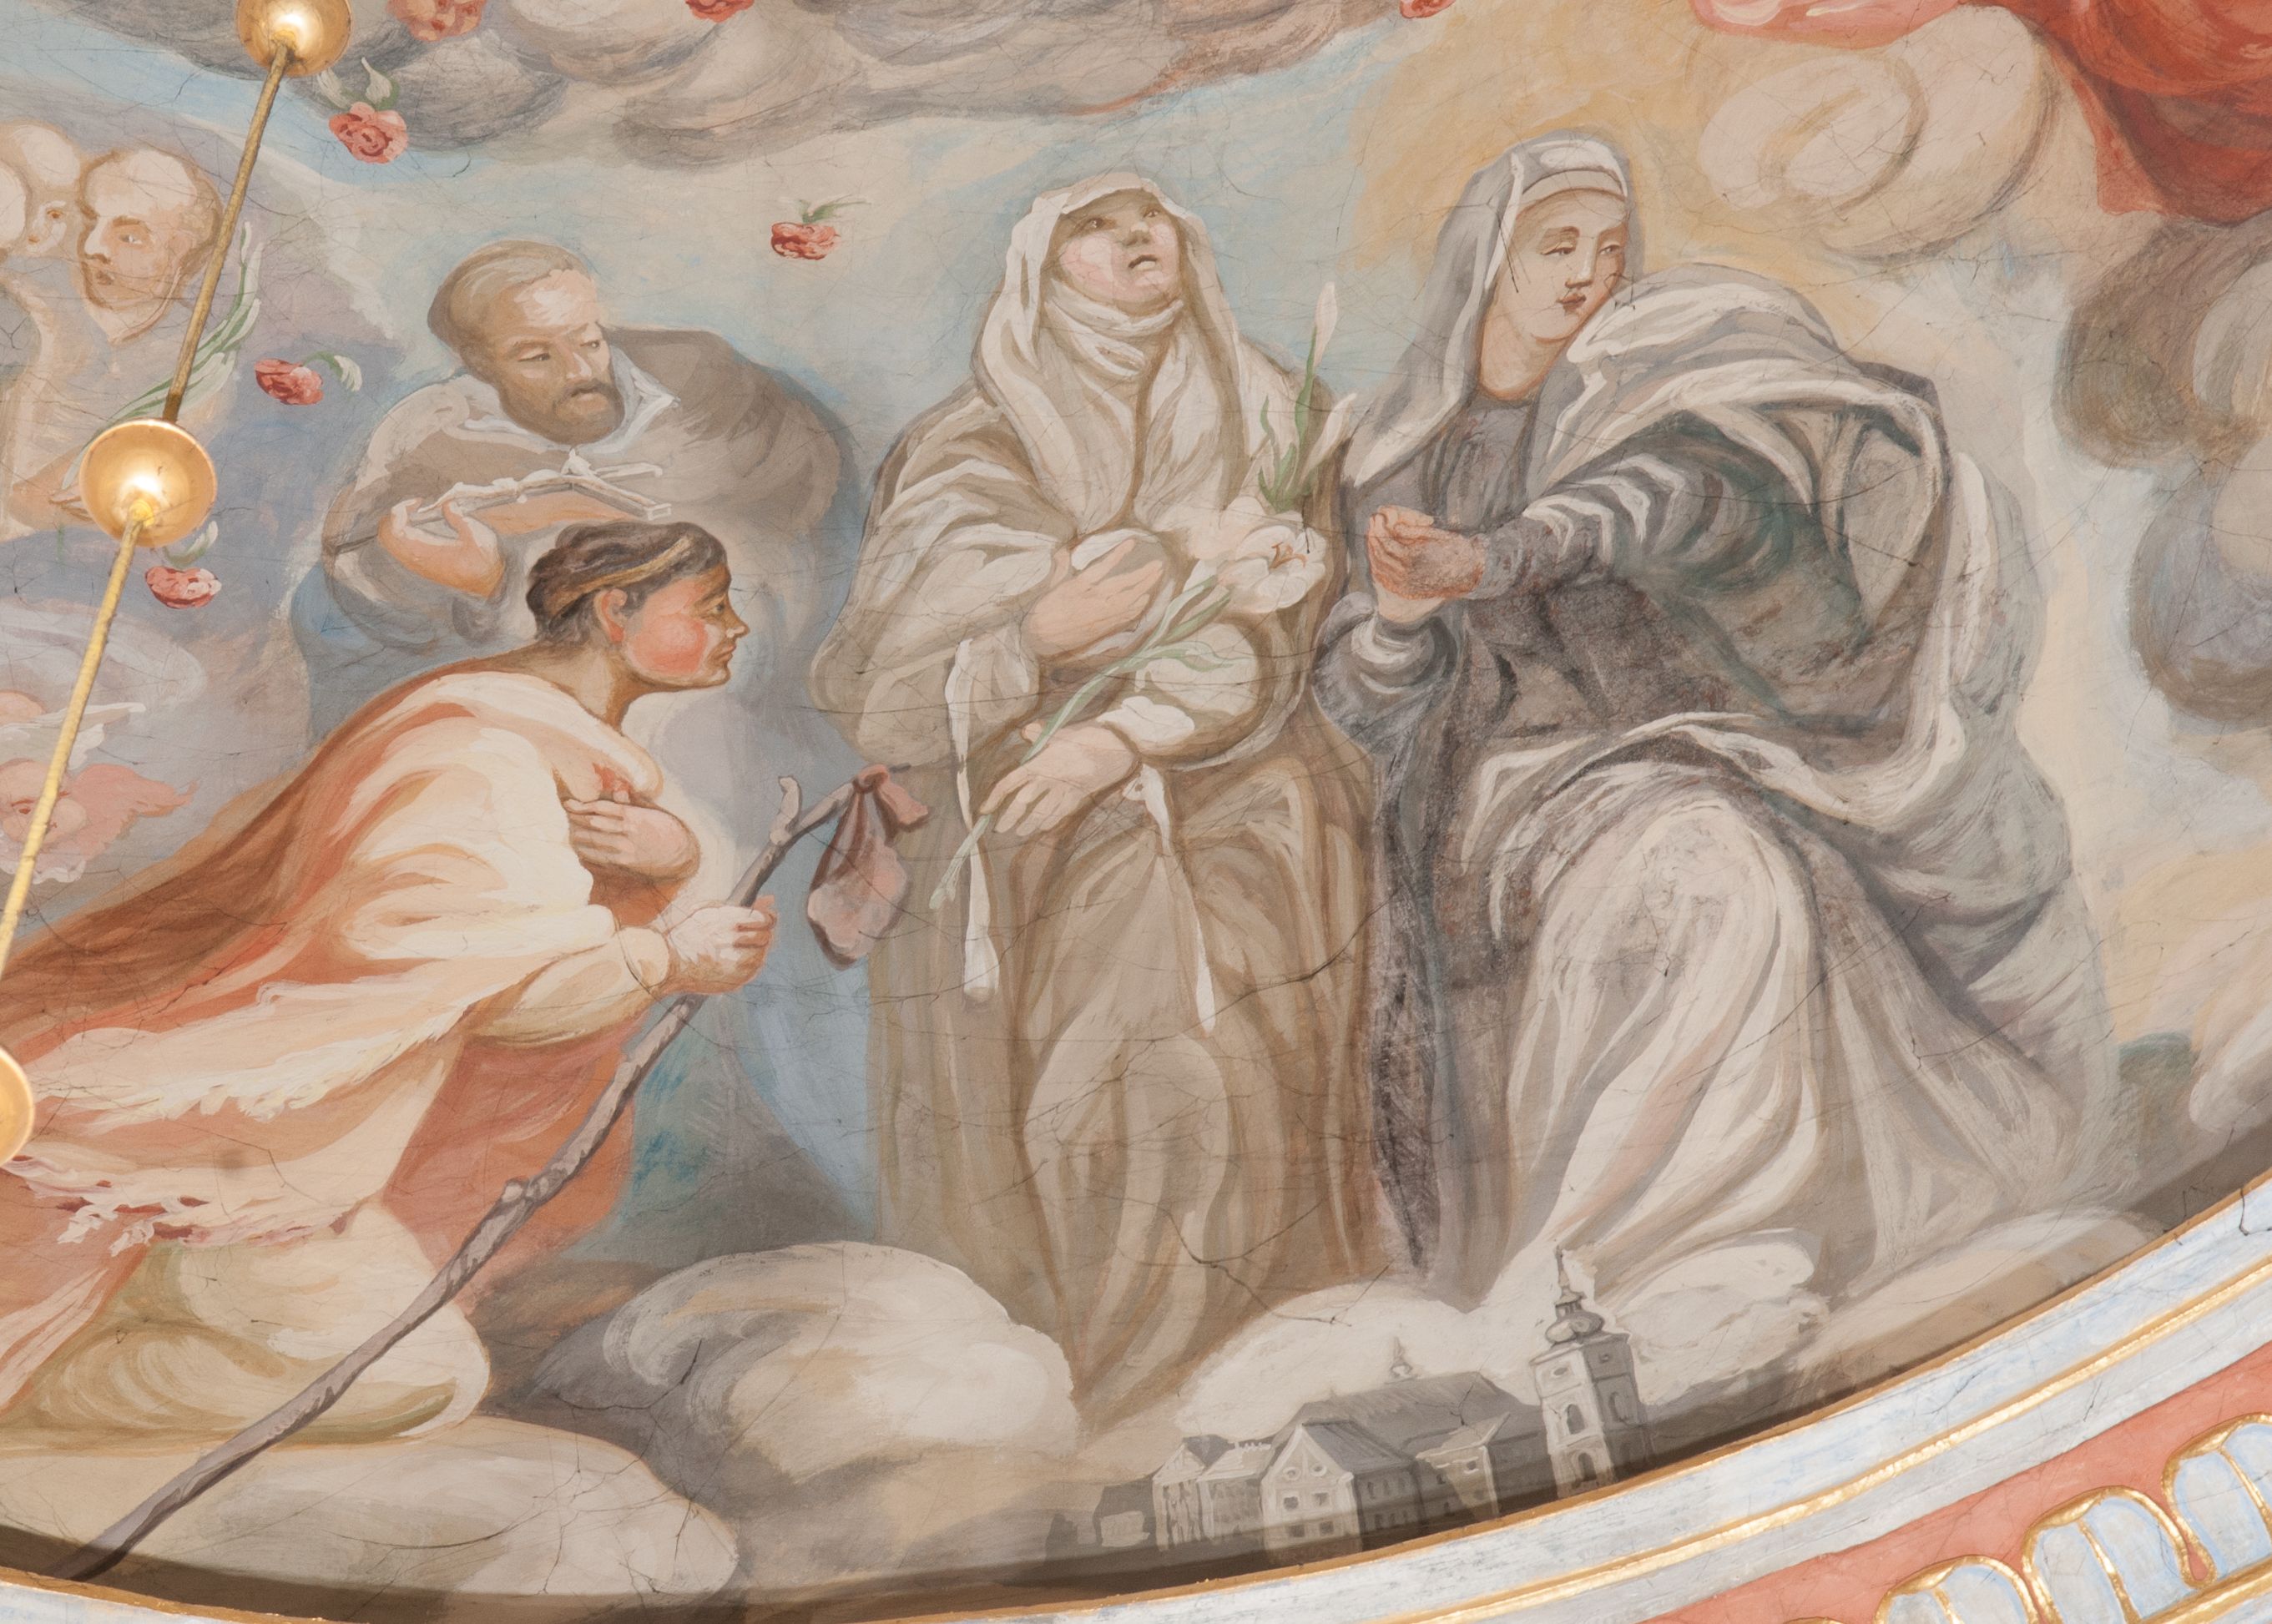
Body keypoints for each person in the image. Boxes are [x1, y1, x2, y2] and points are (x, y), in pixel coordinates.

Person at [1315, 133, 2137, 1388]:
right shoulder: (1396, 457)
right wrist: (1395, 618)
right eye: (1555, 246)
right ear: (1485, 264)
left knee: (1749, 852)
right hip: (1514, 793)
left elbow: (1664, 501)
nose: (1588, 275)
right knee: (1712, 865)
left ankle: (1739, 1237)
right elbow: (1364, 701)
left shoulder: (1643, 385)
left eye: (1609, 248)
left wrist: (1492, 557)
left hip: (1700, 749)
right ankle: (1625, 1256)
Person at [0, 520, 775, 1442]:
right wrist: (668, 960)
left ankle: (83, 1344)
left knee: (420, 1367)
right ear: (615, 611)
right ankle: (58, 1383)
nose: (735, 628)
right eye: (711, 607)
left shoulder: (521, 732)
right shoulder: (482, 748)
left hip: (306, 1147)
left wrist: (671, 861)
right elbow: (474, 980)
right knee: (418, 1380)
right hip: (231, 1143)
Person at [811, 174, 1379, 1415]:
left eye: (1149, 223)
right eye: (1095, 230)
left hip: (1242, 795)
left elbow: (1296, 629)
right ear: (1043, 266)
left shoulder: (1274, 416)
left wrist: (1125, 736)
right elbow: (880, 684)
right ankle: (1101, 1372)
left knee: (1213, 1057)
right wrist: (1029, 635)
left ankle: (1232, 1369)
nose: (1133, 243)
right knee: (1090, 1076)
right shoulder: (974, 444)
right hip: (1024, 827)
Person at [305, 238, 846, 820]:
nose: (581, 371)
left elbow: (799, 504)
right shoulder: (434, 433)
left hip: (717, 695)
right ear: (480, 364)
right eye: (535, 357)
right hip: (541, 713)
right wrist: (480, 582)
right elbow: (354, 576)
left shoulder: (705, 383)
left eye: (589, 340)